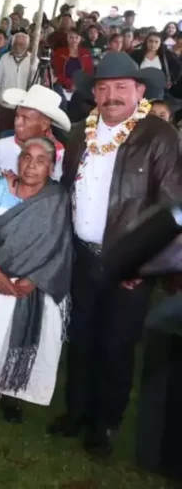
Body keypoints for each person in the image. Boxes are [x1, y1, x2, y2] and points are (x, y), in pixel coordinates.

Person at [52, 53, 182, 458]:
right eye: (103, 88)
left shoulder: (158, 135)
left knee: (117, 344)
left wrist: (144, 265)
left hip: (129, 262)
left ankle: (105, 424)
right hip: (82, 255)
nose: (111, 96)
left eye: (121, 88)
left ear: (140, 91)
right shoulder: (78, 134)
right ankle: (77, 412)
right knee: (82, 338)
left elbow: (172, 204)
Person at [0, 138, 72, 422]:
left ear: (51, 167)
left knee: (19, 336)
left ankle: (11, 392)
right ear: (18, 160)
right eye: (27, 158)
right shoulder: (0, 187)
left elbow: (61, 244)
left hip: (33, 283)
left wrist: (34, 278)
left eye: (41, 161)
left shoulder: (57, 198)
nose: (32, 165)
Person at [0, 85, 70, 180]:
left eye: (25, 118)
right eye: (17, 116)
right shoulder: (2, 145)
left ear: (44, 124)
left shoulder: (58, 153)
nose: (17, 122)